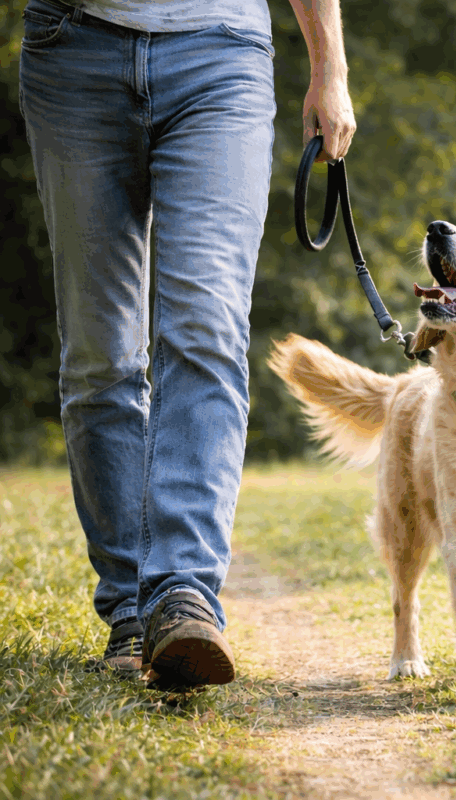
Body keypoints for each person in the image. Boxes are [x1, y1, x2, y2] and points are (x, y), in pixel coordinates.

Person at [19, 0, 355, 689]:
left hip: (220, 53)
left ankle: (183, 593)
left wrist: (331, 70)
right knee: (101, 354)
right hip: (72, 50)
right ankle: (129, 609)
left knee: (206, 328)